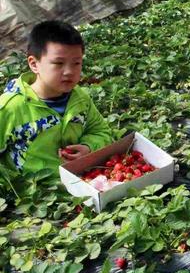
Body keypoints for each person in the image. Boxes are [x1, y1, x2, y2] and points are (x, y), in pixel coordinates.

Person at [0, 21, 113, 175]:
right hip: (32, 189)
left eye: (76, 63)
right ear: (34, 64)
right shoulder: (10, 108)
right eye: (59, 63)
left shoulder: (80, 99)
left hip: (80, 181)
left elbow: (100, 131)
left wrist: (88, 147)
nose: (69, 71)